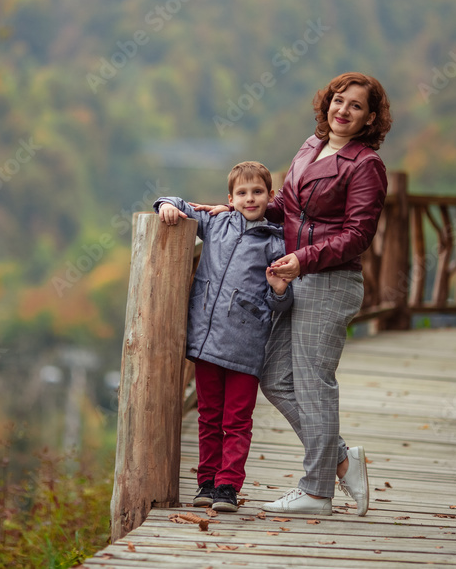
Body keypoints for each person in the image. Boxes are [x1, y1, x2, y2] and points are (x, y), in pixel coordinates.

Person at [197, 72, 391, 516]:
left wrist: (305, 258)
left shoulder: (366, 166)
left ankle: (317, 490)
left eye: (356, 106)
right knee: (274, 377)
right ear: (327, 104)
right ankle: (340, 458)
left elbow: (358, 234)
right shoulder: (310, 145)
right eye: (338, 100)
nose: (342, 110)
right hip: (295, 276)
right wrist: (238, 209)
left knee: (314, 384)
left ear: (370, 118)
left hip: (329, 280)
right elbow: (284, 203)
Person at [153, 161, 293, 513]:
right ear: (230, 198)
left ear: (270, 196)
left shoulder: (275, 244)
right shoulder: (216, 224)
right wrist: (166, 205)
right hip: (207, 345)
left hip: (246, 350)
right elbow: (181, 204)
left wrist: (278, 291)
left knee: (237, 420)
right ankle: (206, 481)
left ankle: (228, 486)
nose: (250, 199)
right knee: (208, 416)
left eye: (257, 192)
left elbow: (283, 302)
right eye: (242, 193)